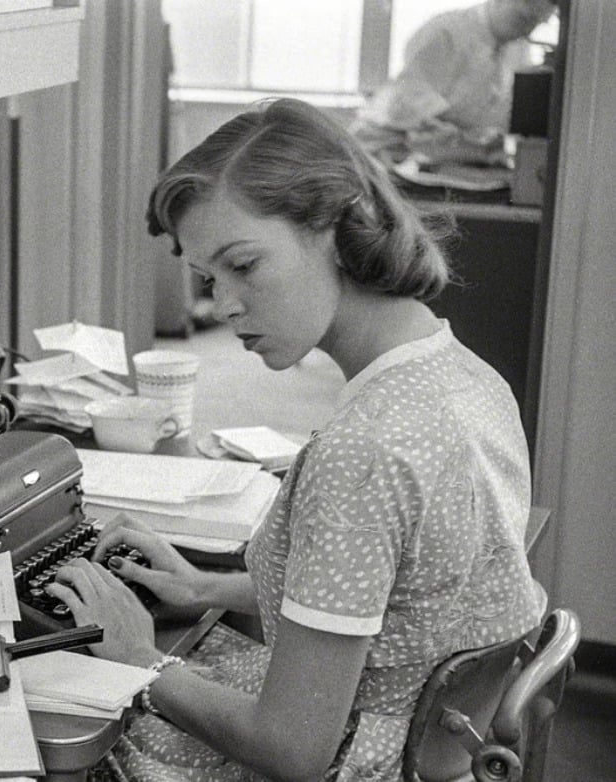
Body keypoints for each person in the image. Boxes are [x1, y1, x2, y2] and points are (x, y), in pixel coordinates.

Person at [46, 98, 547, 782]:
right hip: (427, 744)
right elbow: (405, 606)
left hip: (355, 763)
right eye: (205, 279)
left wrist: (141, 661)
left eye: (243, 266)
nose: (221, 306)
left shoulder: (362, 449)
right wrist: (205, 586)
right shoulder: (463, 372)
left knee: (55, 736)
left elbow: (292, 750)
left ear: (338, 229)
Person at [349, 0, 556, 166]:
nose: (527, 32)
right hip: (381, 149)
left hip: (439, 156)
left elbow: (502, 116)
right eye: (523, 18)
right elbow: (411, 107)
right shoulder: (446, 32)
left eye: (536, 23)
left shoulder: (517, 47)